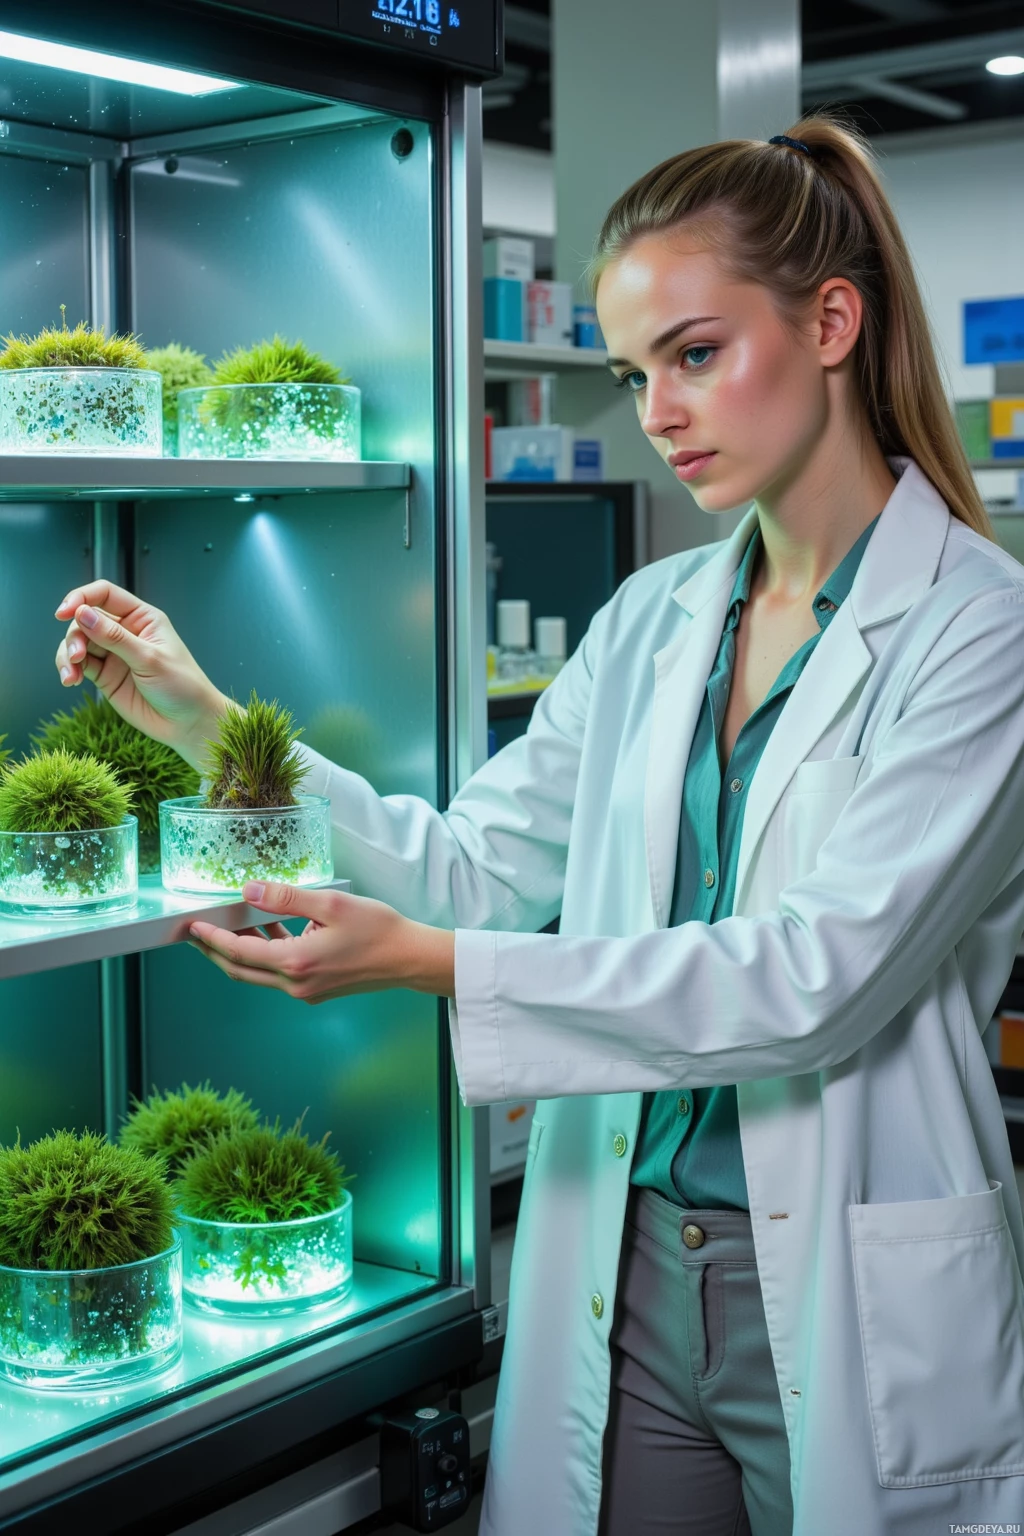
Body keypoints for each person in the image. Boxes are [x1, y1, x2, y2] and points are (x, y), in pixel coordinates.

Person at [52, 117, 1024, 1536]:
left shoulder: (980, 636)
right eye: (636, 375)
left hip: (851, 1290)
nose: (661, 411)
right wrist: (214, 725)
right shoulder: (655, 620)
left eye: (696, 354)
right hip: (625, 1273)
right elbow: (469, 866)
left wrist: (437, 965)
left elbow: (813, 981)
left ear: (830, 321)